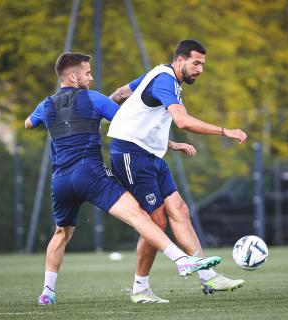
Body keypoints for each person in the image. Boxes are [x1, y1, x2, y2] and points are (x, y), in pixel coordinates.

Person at [25, 52, 223, 305]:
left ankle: (47, 293)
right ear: (73, 77)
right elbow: (131, 126)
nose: (91, 77)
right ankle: (182, 260)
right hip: (90, 174)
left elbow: (28, 123)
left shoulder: (46, 104)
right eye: (87, 73)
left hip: (61, 179)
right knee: (140, 216)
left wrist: (51, 120)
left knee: (61, 233)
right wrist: (171, 144)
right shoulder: (93, 99)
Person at [107, 39, 248, 303]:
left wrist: (167, 143)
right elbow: (182, 121)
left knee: (180, 210)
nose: (200, 70)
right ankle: (140, 289)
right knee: (156, 222)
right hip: (130, 155)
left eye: (203, 64)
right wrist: (224, 131)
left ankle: (209, 276)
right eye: (196, 63)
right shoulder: (165, 79)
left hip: (152, 155)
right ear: (180, 60)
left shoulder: (158, 73)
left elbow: (122, 93)